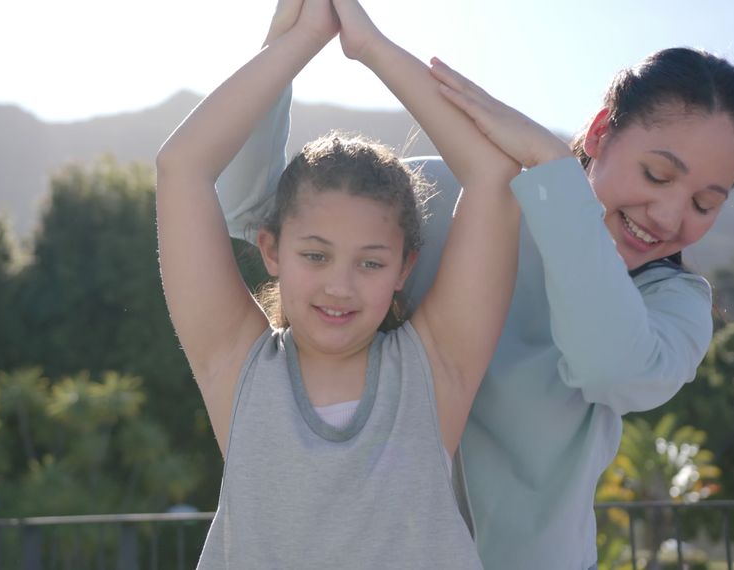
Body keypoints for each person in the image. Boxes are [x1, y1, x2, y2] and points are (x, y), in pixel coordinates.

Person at [217, 5, 734, 568]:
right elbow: (253, 211)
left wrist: (553, 166)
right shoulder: (457, 201)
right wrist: (288, 40)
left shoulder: (675, 302)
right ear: (603, 132)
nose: (670, 214)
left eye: (706, 203)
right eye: (657, 175)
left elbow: (611, 366)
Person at [154, 0, 525, 566]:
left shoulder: (433, 370)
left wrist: (369, 46)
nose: (340, 286)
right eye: (316, 255)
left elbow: (493, 173)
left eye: (371, 263)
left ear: (405, 268)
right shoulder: (239, 367)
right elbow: (181, 166)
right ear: (272, 250)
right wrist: (301, 36)